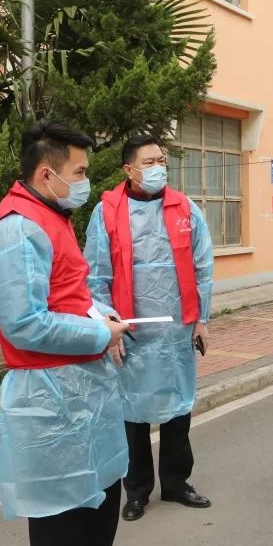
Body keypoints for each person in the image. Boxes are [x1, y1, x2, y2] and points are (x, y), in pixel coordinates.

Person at [0, 121, 141, 546]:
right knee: (57, 496)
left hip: (83, 380)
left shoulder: (52, 216)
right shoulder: (17, 228)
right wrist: (100, 334)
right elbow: (23, 323)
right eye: (80, 172)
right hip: (48, 387)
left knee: (101, 476)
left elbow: (70, 293)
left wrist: (102, 315)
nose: (85, 181)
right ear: (46, 173)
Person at [85, 134, 214, 522]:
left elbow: (203, 267)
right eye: (150, 162)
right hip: (130, 331)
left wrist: (202, 319)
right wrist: (107, 326)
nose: (159, 168)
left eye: (162, 160)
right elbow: (96, 275)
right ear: (129, 169)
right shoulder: (107, 212)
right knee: (132, 413)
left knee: (178, 409)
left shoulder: (185, 208)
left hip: (176, 330)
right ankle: (137, 490)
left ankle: (176, 483)